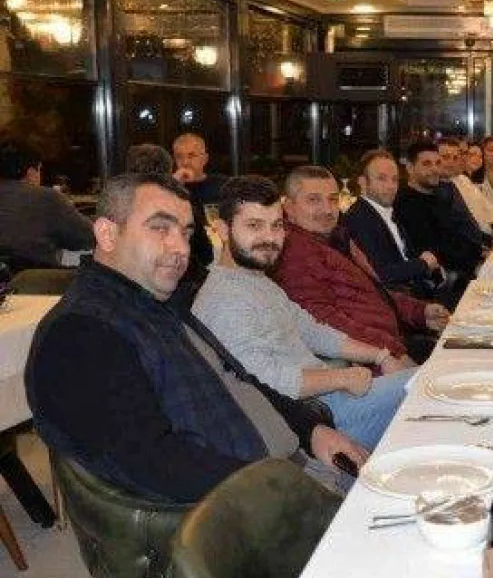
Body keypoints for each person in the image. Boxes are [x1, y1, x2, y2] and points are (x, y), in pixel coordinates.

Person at [25, 173, 367, 502]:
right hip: (252, 507)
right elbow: (152, 462)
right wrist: (278, 486)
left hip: (291, 469)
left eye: (186, 232)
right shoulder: (81, 333)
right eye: (160, 228)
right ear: (108, 234)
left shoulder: (160, 303)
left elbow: (242, 381)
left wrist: (311, 430)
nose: (180, 248)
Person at [195, 176, 413, 451]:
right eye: (254, 226)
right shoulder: (224, 299)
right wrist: (343, 378)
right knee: (427, 385)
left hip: (332, 399)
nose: (269, 238)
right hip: (317, 422)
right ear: (222, 230)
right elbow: (263, 380)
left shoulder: (255, 279)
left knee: (430, 385)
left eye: (276, 226)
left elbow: (313, 330)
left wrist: (380, 355)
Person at [274, 165, 449, 364]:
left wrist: (420, 312)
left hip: (391, 341)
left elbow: (374, 293)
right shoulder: (296, 254)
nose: (327, 209)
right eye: (313, 200)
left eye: (333, 199)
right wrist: (392, 352)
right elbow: (323, 324)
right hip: (371, 361)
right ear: (288, 207)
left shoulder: (336, 240)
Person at [343, 150, 450, 303]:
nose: (391, 186)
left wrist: (431, 268)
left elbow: (405, 256)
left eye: (395, 179)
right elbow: (381, 274)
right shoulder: (358, 219)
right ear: (362, 182)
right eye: (382, 178)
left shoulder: (386, 211)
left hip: (419, 294)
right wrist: (424, 264)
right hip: (396, 304)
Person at [395, 141, 490, 284]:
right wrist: (478, 255)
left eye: (437, 163)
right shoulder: (404, 203)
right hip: (446, 280)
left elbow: (461, 231)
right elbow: (433, 250)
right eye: (427, 164)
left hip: (469, 267)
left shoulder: (441, 195)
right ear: (410, 168)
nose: (434, 169)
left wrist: (482, 249)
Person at [0, 139, 94, 271]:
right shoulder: (47, 197)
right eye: (40, 169)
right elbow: (87, 238)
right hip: (38, 278)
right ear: (31, 172)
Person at [125, 143, 215, 270]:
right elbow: (206, 256)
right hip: (180, 277)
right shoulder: (181, 209)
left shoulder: (119, 207)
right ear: (169, 171)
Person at [439, 138, 493, 235]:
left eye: (456, 157)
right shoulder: (443, 188)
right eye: (445, 157)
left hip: (488, 232)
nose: (462, 158)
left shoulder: (463, 180)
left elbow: (490, 212)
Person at [172, 133, 227, 208]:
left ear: (205, 159)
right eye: (179, 157)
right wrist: (174, 185)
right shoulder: (169, 187)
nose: (185, 162)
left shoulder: (222, 186)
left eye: (191, 156)